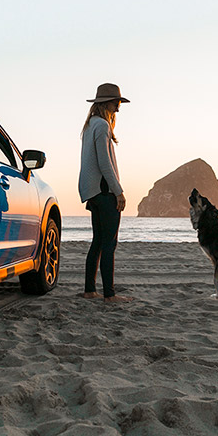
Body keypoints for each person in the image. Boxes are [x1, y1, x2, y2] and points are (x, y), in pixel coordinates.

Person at [78, 83, 133, 304]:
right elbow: (105, 163)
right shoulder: (101, 126)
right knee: (109, 243)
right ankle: (110, 295)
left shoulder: (90, 125)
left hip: (92, 192)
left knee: (98, 242)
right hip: (104, 191)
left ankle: (90, 290)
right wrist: (118, 191)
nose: (118, 108)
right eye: (116, 102)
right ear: (106, 103)